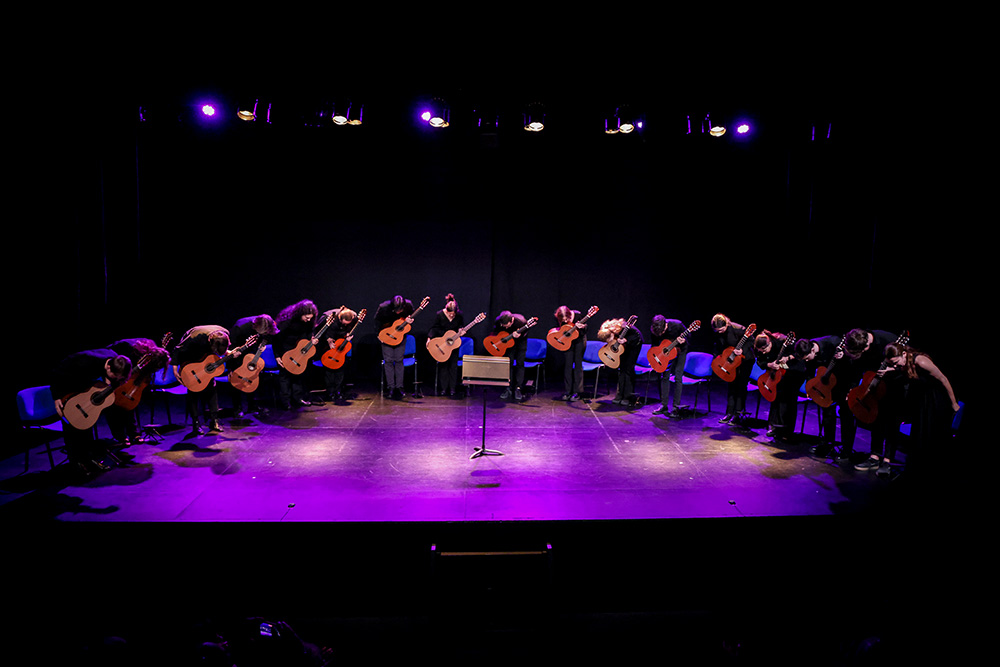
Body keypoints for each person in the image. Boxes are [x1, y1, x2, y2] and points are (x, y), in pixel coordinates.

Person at [857, 341, 960, 478]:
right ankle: (915, 469)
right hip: (920, 398)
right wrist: (891, 370)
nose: (894, 365)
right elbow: (903, 369)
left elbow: (943, 379)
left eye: (895, 362)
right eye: (891, 363)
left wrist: (954, 403)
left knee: (928, 434)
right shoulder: (904, 362)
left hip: (934, 399)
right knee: (917, 434)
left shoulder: (921, 361)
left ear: (904, 354)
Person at [50, 348, 132, 474]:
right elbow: (57, 372)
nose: (116, 379)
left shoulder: (116, 360)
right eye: (115, 376)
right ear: (109, 368)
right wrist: (56, 397)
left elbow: (109, 379)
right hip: (67, 386)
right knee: (72, 427)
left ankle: (89, 459)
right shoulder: (86, 362)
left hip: (84, 388)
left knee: (87, 423)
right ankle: (76, 463)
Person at [105, 336, 170, 444]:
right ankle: (120, 436)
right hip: (115, 366)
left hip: (133, 376)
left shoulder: (153, 355)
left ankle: (134, 434)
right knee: (112, 404)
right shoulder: (131, 349)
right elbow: (114, 357)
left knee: (129, 403)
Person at [170, 325, 231, 434]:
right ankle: (196, 423)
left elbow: (221, 349)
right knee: (193, 390)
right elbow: (178, 349)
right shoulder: (195, 338)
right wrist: (175, 370)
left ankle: (214, 420)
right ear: (211, 344)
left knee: (211, 387)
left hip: (205, 356)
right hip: (189, 356)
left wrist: (229, 353)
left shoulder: (224, 334)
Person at [273, 300, 321, 409]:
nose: (308, 320)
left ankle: (298, 399)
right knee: (285, 377)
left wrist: (311, 340)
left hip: (300, 351)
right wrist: (277, 356)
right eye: (306, 317)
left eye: (310, 318)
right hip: (285, 350)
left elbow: (309, 333)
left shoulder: (309, 322)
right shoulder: (287, 322)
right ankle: (285, 402)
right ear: (300, 313)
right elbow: (276, 339)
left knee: (299, 375)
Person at [753, 330, 801, 440]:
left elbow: (798, 354)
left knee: (788, 402)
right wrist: (769, 364)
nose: (763, 352)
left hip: (792, 374)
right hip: (776, 376)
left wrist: (787, 358)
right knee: (775, 399)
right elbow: (760, 362)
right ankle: (774, 427)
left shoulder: (782, 344)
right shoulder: (761, 350)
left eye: (764, 350)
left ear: (769, 343)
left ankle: (787, 431)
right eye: (760, 350)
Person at [228, 314, 278, 417]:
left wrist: (261, 345)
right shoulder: (241, 327)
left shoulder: (267, 324)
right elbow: (231, 346)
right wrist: (230, 368)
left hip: (251, 355)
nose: (265, 334)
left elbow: (267, 336)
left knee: (251, 378)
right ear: (256, 327)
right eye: (263, 332)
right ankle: (237, 408)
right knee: (237, 381)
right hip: (238, 355)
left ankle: (252, 406)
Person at [711, 313, 756, 425]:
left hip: (745, 360)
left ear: (726, 325)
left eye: (721, 330)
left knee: (741, 386)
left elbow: (751, 340)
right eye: (717, 330)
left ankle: (738, 413)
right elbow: (718, 346)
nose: (719, 332)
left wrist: (742, 350)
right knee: (731, 386)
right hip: (731, 361)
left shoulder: (738, 329)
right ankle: (729, 413)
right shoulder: (718, 333)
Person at [596, 317, 643, 406]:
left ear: (612, 333)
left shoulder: (624, 328)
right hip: (622, 346)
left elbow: (636, 336)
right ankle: (620, 394)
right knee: (622, 370)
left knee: (628, 369)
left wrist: (626, 340)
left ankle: (628, 396)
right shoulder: (606, 329)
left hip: (634, 343)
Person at [649, 315, 690, 418]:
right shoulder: (655, 330)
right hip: (666, 353)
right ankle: (664, 405)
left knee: (678, 377)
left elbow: (689, 337)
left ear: (665, 325)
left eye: (662, 332)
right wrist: (654, 358)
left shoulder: (677, 325)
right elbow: (654, 345)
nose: (661, 334)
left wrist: (684, 341)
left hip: (680, 351)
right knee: (665, 377)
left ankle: (676, 407)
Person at [375, 295, 415, 400]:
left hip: (400, 337)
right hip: (387, 336)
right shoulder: (383, 307)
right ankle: (391, 387)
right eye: (396, 310)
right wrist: (379, 336)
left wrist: (410, 320)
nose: (398, 312)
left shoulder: (408, 305)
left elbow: (411, 316)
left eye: (400, 310)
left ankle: (400, 387)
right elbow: (377, 321)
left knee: (399, 360)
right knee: (388, 361)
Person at [427, 294, 465, 397]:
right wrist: (429, 338)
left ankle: (452, 388)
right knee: (443, 366)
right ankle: (443, 388)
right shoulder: (439, 315)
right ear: (446, 310)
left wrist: (461, 330)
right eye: (450, 314)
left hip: (453, 344)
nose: (452, 316)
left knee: (453, 367)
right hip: (442, 343)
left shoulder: (459, 316)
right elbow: (434, 328)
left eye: (453, 314)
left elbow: (460, 326)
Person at [321, 305, 360, 403]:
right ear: (340, 318)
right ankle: (330, 391)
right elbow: (325, 333)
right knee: (329, 369)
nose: (346, 325)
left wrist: (347, 336)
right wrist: (329, 341)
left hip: (342, 344)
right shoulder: (331, 319)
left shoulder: (354, 317)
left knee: (340, 369)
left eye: (348, 324)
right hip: (330, 344)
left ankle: (338, 391)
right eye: (344, 323)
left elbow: (350, 330)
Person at [492, 310, 530, 401]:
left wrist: (519, 335)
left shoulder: (521, 321)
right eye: (503, 326)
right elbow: (495, 332)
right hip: (508, 344)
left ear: (511, 321)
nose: (505, 327)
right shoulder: (499, 321)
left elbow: (526, 332)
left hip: (520, 343)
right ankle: (507, 388)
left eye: (507, 326)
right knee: (508, 364)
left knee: (520, 364)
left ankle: (518, 388)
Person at [553, 305, 588, 401]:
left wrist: (582, 327)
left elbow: (585, 330)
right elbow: (559, 330)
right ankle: (568, 391)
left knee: (577, 365)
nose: (564, 320)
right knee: (568, 365)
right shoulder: (558, 317)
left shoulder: (578, 315)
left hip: (579, 341)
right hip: (567, 341)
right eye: (562, 319)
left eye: (566, 318)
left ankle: (577, 392)